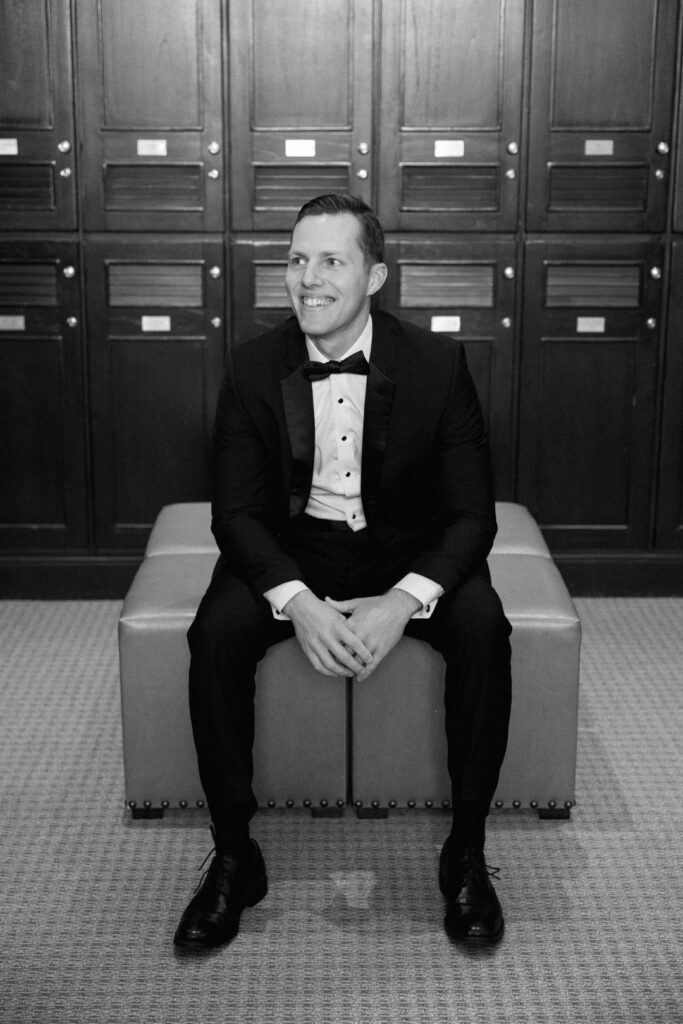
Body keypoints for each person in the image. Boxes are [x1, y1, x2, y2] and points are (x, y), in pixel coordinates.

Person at [173, 193, 512, 950]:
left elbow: (470, 517)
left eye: (331, 260)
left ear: (376, 275)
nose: (307, 279)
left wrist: (401, 601)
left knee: (484, 625)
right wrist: (296, 601)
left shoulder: (435, 364)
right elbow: (236, 514)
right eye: (296, 260)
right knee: (215, 631)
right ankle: (234, 852)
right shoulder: (251, 366)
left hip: (401, 550)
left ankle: (465, 849)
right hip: (296, 548)